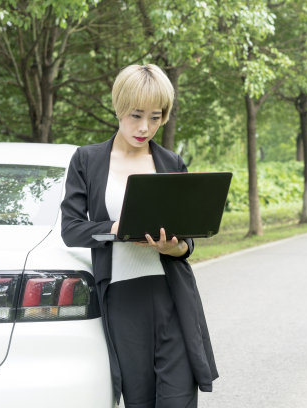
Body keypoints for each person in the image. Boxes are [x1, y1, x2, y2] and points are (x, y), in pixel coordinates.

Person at [60, 64, 218, 408]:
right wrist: (114, 229)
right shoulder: (87, 161)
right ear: (119, 107)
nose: (144, 127)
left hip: (171, 295)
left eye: (155, 117)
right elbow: (71, 229)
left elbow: (186, 240)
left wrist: (173, 247)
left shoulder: (170, 161)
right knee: (140, 400)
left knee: (178, 400)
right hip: (122, 298)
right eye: (135, 115)